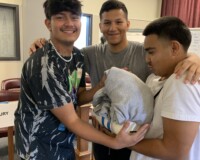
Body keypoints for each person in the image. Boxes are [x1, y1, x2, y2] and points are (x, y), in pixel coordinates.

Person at [28, 1, 200, 160]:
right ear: (100, 26)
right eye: (107, 23)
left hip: (138, 136)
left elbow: (174, 55)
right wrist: (43, 43)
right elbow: (64, 57)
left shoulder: (144, 51)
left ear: (128, 24)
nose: (113, 28)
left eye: (118, 22)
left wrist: (193, 58)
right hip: (104, 132)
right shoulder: (88, 54)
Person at [14, 0, 150, 160]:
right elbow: (72, 120)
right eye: (60, 17)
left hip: (64, 144)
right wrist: (115, 142)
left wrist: (102, 84)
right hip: (39, 150)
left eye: (74, 17)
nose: (69, 23)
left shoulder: (77, 57)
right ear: (48, 23)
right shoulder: (44, 66)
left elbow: (76, 96)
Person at [129, 16, 200, 160]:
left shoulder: (181, 82)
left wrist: (124, 141)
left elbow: (174, 151)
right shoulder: (155, 78)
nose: (147, 59)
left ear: (174, 48)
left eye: (151, 52)